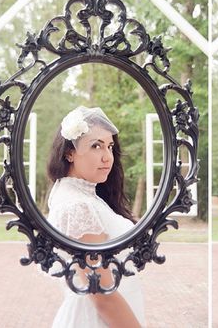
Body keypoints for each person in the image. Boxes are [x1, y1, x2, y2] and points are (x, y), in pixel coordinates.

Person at [47, 106, 145, 328]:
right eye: (95, 146)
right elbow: (102, 295)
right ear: (69, 153)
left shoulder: (84, 195)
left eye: (109, 146)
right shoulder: (78, 206)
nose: (107, 157)